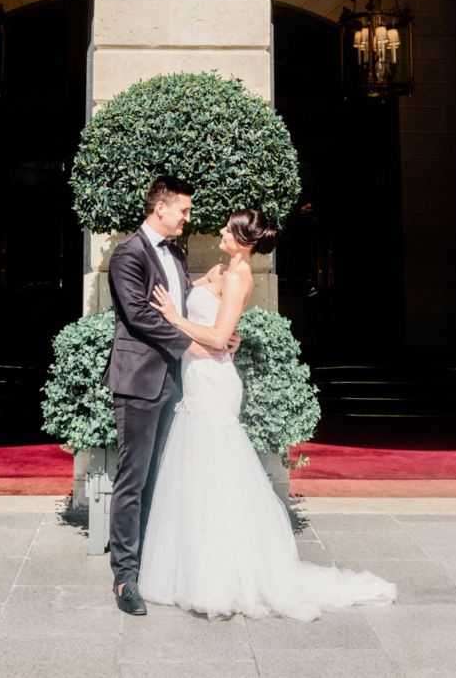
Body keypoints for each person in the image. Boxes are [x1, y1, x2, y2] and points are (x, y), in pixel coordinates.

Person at [138, 209, 397, 621]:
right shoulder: (223, 270)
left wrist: (173, 318)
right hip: (198, 376)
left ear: (242, 241)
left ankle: (223, 575)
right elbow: (193, 295)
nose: (220, 231)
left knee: (216, 473)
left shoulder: (241, 278)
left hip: (215, 382)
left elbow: (220, 337)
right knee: (198, 473)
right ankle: (195, 567)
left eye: (227, 229)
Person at [102, 176, 239, 616]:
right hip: (138, 380)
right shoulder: (127, 254)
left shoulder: (176, 254)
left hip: (178, 384)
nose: (188, 217)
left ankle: (156, 565)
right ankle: (125, 578)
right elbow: (140, 315)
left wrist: (223, 335)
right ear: (160, 207)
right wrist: (197, 346)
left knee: (163, 479)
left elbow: (187, 304)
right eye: (183, 209)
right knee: (133, 479)